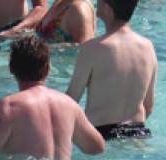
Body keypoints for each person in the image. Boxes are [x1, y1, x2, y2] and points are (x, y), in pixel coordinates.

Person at [66, 0, 157, 141]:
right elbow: (149, 105)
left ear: (108, 9)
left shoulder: (92, 49)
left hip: (102, 135)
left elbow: (70, 101)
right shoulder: (147, 47)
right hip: (138, 133)